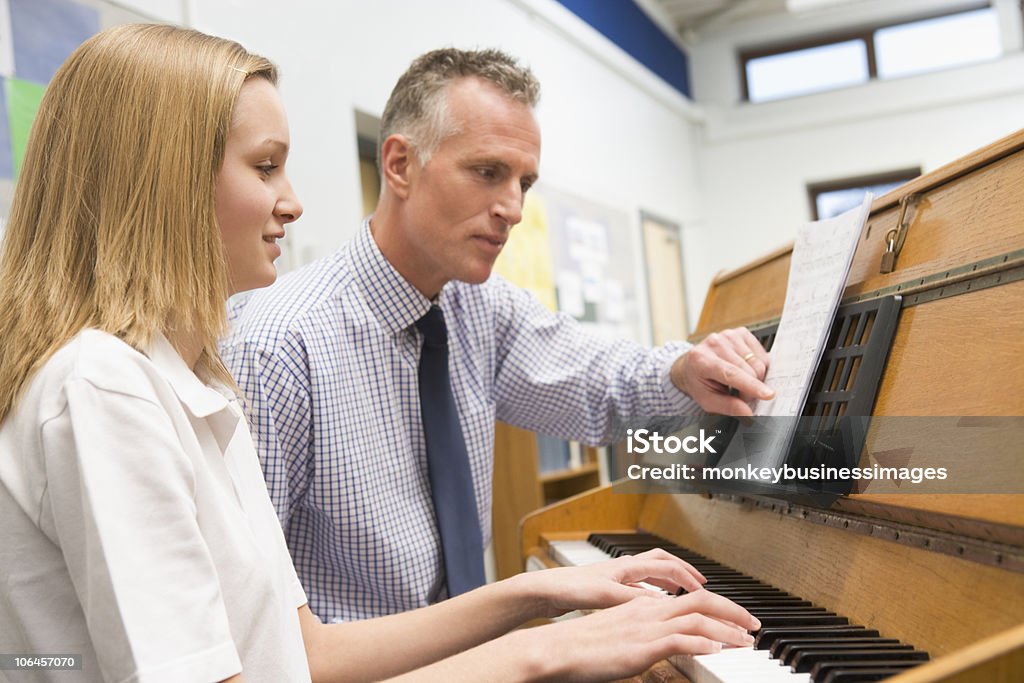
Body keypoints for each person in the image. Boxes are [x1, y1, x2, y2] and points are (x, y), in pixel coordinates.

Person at [0, 23, 760, 683]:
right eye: (265, 167)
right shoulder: (133, 381)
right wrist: (547, 651)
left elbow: (301, 651)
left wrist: (546, 598)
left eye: (523, 181)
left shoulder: (197, 377)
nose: (512, 208)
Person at [223, 46, 774, 623]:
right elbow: (254, 621)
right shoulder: (276, 346)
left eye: (525, 182)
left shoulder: (478, 305)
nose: (512, 208)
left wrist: (682, 370)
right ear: (400, 165)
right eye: (488, 173)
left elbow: (596, 381)